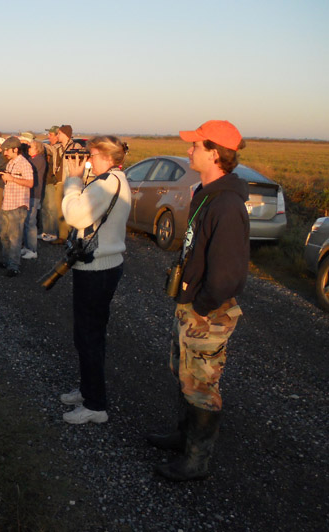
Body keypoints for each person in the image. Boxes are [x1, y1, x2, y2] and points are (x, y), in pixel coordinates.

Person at [149, 120, 249, 482]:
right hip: (190, 304)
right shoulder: (205, 192)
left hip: (207, 312)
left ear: (214, 153)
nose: (188, 150)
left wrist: (202, 307)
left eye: (195, 146)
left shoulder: (226, 205)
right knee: (183, 373)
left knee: (202, 385)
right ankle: (183, 436)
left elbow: (228, 274)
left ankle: (196, 461)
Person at [57, 135, 131, 424]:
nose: (88, 161)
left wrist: (73, 182)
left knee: (87, 336)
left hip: (97, 270)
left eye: (93, 156)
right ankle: (89, 390)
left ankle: (95, 405)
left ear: (109, 158)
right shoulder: (116, 179)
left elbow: (76, 216)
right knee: (91, 334)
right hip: (103, 266)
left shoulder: (106, 183)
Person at [0, 136, 34, 277]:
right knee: (3, 234)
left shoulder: (24, 164)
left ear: (15, 149)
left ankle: (14, 266)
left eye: (7, 150)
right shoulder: (10, 163)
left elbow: (30, 183)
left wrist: (12, 178)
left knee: (15, 238)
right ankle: (6, 260)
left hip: (18, 205)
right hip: (7, 203)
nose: (5, 153)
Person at [21, 139, 47, 260]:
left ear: (37, 149)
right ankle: (27, 246)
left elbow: (26, 167)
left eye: (30, 147)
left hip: (34, 193)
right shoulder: (34, 159)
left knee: (31, 222)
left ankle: (32, 249)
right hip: (29, 193)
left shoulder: (39, 159)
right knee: (27, 221)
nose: (28, 149)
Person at [40, 125, 62, 242]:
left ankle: (53, 232)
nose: (48, 136)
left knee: (52, 208)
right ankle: (45, 231)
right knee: (44, 207)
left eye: (51, 135)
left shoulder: (58, 149)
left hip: (52, 181)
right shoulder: (49, 148)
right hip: (45, 180)